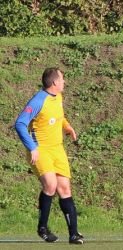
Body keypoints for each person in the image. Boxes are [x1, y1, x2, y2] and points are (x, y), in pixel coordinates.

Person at [15, 68, 84, 244]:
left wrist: (67, 127)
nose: (64, 82)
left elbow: (59, 116)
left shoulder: (58, 97)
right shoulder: (39, 100)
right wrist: (32, 147)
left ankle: (74, 234)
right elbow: (20, 123)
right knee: (51, 185)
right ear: (54, 82)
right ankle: (42, 228)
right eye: (62, 79)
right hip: (41, 150)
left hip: (57, 150)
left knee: (65, 189)